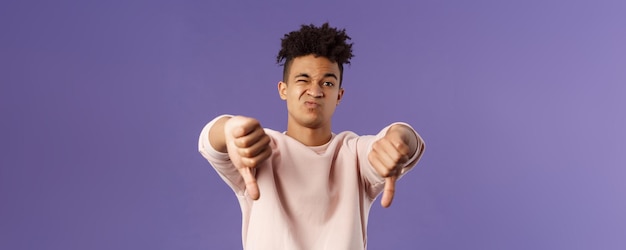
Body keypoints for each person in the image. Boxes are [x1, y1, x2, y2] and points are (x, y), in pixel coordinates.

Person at [198, 23, 425, 250]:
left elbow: (390, 144)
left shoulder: (354, 154)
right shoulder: (259, 149)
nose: (315, 91)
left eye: (327, 83)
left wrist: (401, 136)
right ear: (283, 89)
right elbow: (212, 141)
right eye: (303, 79)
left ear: (339, 95)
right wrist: (229, 128)